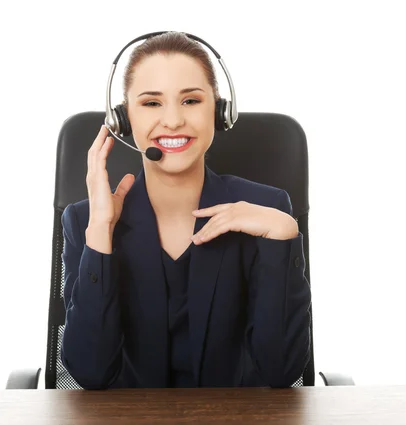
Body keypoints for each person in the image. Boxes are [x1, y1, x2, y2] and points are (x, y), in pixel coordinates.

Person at [60, 31, 312, 389]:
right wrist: (101, 229)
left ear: (220, 110)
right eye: (151, 103)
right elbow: (90, 374)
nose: (174, 120)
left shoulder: (268, 212)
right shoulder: (85, 221)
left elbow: (280, 372)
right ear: (123, 120)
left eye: (191, 100)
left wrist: (282, 234)